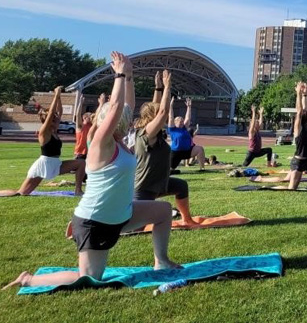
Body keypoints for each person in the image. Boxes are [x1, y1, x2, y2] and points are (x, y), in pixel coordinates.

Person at [3, 52, 180, 291]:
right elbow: (117, 107)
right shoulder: (100, 142)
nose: (128, 119)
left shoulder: (121, 142)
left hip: (121, 215)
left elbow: (125, 106)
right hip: (95, 222)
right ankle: (29, 279)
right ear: (112, 121)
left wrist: (128, 76)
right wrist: (118, 74)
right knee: (89, 278)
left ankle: (162, 261)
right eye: (123, 118)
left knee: (163, 211)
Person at [133, 69, 198, 226]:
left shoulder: (152, 130)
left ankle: (187, 219)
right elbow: (162, 111)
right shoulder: (147, 133)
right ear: (152, 118)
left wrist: (158, 88)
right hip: (145, 188)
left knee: (181, 186)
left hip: (159, 183)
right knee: (135, 227)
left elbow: (155, 108)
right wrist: (168, 86)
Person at [2, 86, 86, 197]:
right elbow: (51, 113)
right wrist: (55, 95)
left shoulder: (54, 130)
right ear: (48, 120)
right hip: (43, 165)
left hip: (56, 164)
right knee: (21, 193)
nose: (57, 120)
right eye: (54, 119)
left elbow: (59, 112)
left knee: (81, 163)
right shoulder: (44, 132)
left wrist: (59, 96)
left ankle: (78, 190)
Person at [168, 97, 205, 171]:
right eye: (179, 121)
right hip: (176, 152)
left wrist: (189, 107)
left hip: (187, 151)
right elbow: (171, 117)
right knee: (171, 169)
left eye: (182, 121)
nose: (182, 122)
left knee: (200, 149)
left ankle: (202, 168)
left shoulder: (184, 128)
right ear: (175, 122)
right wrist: (171, 106)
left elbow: (187, 118)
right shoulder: (172, 129)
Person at [74, 93, 104, 161]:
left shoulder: (92, 126)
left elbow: (97, 115)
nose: (91, 118)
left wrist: (101, 104)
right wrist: (80, 103)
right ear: (84, 117)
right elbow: (78, 114)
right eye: (89, 117)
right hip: (80, 153)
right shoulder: (80, 126)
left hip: (90, 152)